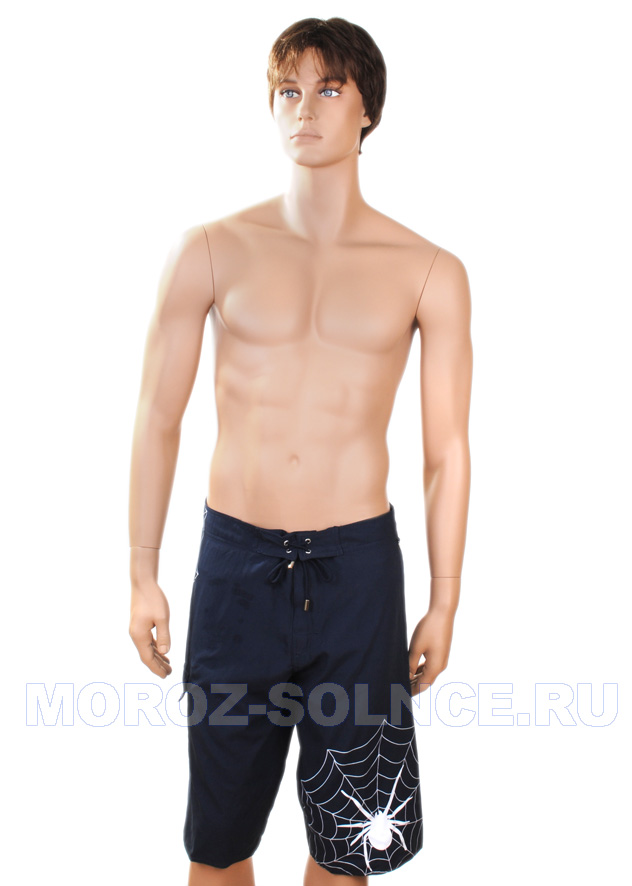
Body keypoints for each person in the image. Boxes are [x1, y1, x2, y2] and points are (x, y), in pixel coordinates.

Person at [128, 16, 472, 886]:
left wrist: (445, 600)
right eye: (289, 90)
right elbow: (156, 417)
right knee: (218, 841)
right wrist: (140, 572)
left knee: (350, 841)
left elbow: (447, 450)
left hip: (358, 576)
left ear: (368, 110)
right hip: (235, 568)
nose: (305, 109)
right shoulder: (211, 250)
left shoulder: (428, 270)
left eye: (329, 89)